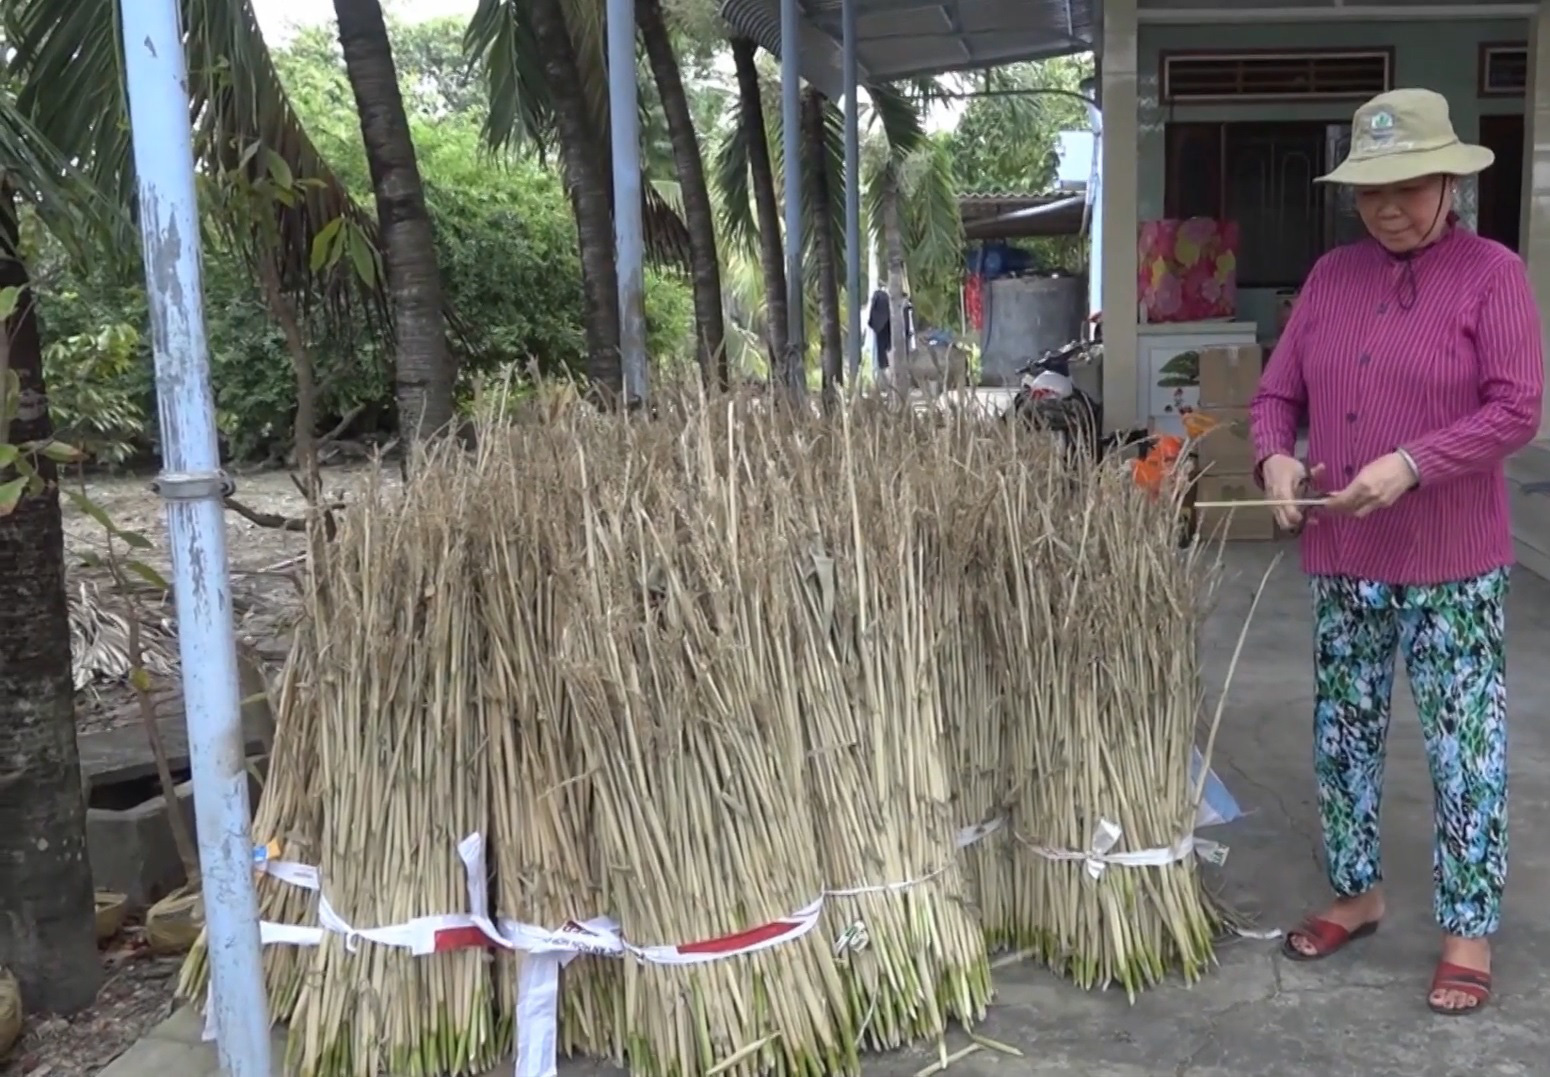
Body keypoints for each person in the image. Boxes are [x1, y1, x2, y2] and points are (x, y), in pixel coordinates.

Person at [1249, 88, 1544, 1016]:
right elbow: (1273, 397)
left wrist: (1413, 463)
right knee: (1342, 740)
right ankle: (1357, 893)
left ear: (1450, 179)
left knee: (1465, 751)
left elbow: (1517, 407)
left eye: (1411, 186)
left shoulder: (1492, 274)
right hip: (1345, 558)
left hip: (1453, 563)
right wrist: (1276, 461)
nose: (1389, 207)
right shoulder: (1332, 278)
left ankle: (1466, 932)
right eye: (1372, 189)